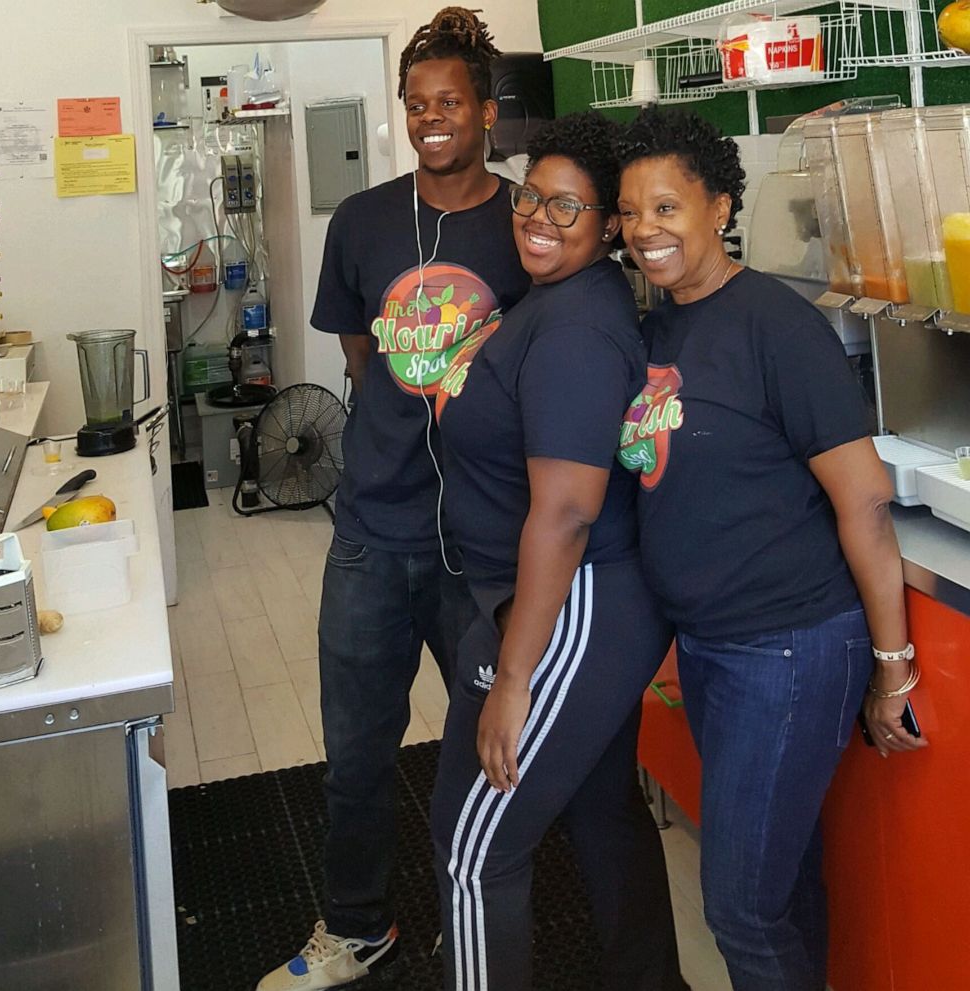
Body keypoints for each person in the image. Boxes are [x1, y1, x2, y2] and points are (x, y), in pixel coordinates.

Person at [615, 105, 928, 991]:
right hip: (712, 646)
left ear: (719, 207)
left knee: (741, 908)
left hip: (786, 646)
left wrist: (891, 663)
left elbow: (864, 501)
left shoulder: (774, 325)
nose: (646, 230)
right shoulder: (661, 322)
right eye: (632, 211)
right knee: (780, 885)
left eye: (667, 208)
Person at [256, 9, 530, 991]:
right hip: (372, 534)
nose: (429, 119)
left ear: (484, 112)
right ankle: (358, 925)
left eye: (448, 101)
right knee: (355, 758)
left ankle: (480, 909)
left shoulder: (522, 223)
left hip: (484, 547)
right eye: (415, 104)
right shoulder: (363, 221)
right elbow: (359, 356)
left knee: (492, 754)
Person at [429, 111, 690, 991]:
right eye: (531, 196)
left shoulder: (575, 329)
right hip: (559, 597)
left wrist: (514, 675)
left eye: (568, 208)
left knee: (473, 845)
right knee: (601, 808)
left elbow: (569, 512)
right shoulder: (556, 299)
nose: (538, 217)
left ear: (610, 224)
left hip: (568, 602)